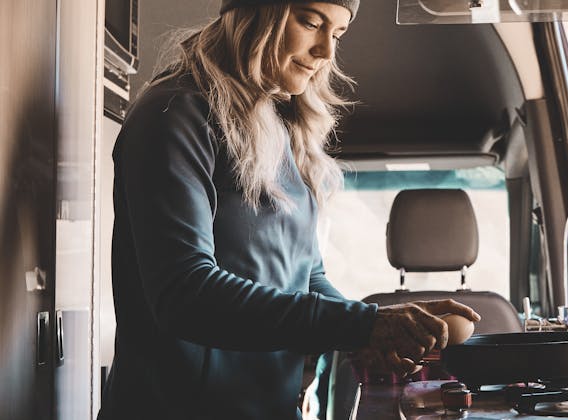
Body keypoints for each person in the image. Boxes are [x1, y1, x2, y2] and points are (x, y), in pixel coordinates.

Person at [97, 1, 481, 419]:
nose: (326, 52)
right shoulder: (174, 114)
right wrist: (361, 324)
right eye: (312, 22)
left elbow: (307, 276)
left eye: (337, 34)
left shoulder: (279, 128)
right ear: (253, 14)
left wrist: (371, 331)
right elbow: (185, 294)